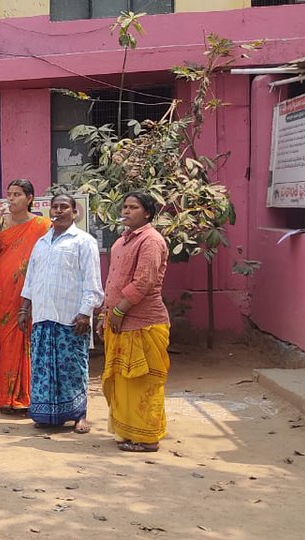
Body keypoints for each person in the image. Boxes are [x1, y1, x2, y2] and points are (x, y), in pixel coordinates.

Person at [19, 193, 102, 433]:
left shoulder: (83, 241)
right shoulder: (41, 242)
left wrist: (86, 313)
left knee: (73, 368)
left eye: (64, 207)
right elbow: (31, 279)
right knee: (43, 369)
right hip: (43, 318)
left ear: (74, 212)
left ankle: (79, 415)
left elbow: (92, 281)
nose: (58, 210)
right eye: (54, 207)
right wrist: (25, 308)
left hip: (71, 318)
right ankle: (46, 416)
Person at [101, 191, 170, 452]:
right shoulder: (121, 243)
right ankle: (127, 432)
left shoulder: (151, 241)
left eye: (134, 207)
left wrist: (118, 311)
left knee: (143, 382)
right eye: (125, 206)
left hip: (144, 322)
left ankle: (147, 437)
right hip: (119, 322)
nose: (127, 211)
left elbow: (144, 281)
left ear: (148, 213)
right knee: (122, 381)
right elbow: (112, 281)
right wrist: (105, 313)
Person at [0, 178, 50, 413]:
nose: (11, 199)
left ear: (30, 198)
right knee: (7, 341)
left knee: (28, 340)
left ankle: (27, 397)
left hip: (32, 292)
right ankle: (6, 399)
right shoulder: (0, 223)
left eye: (17, 194)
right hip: (3, 290)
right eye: (9, 194)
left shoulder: (43, 225)